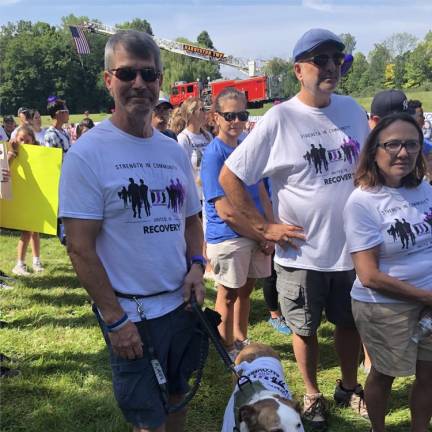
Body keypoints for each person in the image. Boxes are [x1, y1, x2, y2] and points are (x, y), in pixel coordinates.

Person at [219, 28, 370, 428]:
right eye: (320, 60)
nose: (330, 68)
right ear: (298, 69)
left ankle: (349, 386)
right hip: (302, 252)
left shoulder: (353, 110)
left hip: (353, 249)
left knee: (349, 323)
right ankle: (312, 394)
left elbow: (367, 172)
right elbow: (230, 177)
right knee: (303, 330)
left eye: (336, 60)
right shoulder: (280, 118)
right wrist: (263, 228)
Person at [59, 30, 205, 432]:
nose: (139, 83)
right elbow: (80, 248)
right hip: (132, 315)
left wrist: (197, 265)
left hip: (180, 305)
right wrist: (115, 319)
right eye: (127, 74)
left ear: (159, 81)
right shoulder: (88, 154)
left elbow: (191, 219)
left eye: (148, 73)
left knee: (178, 399)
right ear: (109, 80)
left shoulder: (171, 148)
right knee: (148, 420)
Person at [343, 113, 432, 432]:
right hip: (384, 306)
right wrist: (426, 297)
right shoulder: (362, 202)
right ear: (374, 150)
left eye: (411, 144)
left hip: (429, 300)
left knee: (429, 373)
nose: (403, 152)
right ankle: (377, 428)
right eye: (393, 144)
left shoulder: (423, 189)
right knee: (384, 373)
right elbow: (369, 275)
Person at [201, 87, 273, 360]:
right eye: (229, 115)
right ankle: (226, 345)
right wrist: (261, 232)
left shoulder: (248, 147)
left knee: (246, 291)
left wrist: (269, 228)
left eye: (241, 115)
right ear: (215, 117)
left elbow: (263, 191)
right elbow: (224, 209)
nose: (236, 121)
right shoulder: (213, 154)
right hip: (230, 235)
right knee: (228, 293)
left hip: (256, 233)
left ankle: (241, 339)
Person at [8, 125, 44, 275]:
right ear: (16, 140)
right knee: (27, 231)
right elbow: (5, 168)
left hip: (34, 196)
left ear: (33, 141)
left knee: (35, 230)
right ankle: (19, 264)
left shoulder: (38, 156)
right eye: (21, 140)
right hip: (21, 197)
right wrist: (12, 153)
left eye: (27, 140)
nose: (23, 144)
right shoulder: (14, 154)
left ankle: (36, 261)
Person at [177, 97, 212, 200]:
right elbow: (182, 172)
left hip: (210, 194)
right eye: (202, 110)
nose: (205, 112)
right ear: (191, 113)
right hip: (195, 198)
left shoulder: (208, 136)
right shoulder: (183, 139)